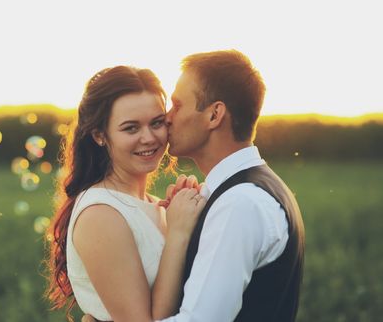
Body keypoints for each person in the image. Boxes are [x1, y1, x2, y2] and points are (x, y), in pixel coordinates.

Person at [83, 49, 305, 322]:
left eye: (177, 105)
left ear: (214, 115)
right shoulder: (247, 191)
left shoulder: (239, 204)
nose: (168, 117)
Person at [45, 65, 207, 321]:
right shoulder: (100, 214)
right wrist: (178, 233)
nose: (149, 138)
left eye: (156, 123)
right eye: (131, 128)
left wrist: (186, 217)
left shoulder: (156, 206)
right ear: (100, 135)